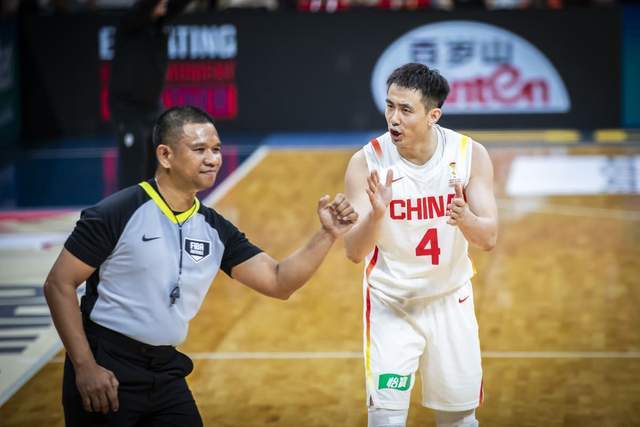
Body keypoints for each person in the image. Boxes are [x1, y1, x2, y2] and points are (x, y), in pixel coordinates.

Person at [44, 105, 358, 427]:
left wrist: (327, 234)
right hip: (107, 368)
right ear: (165, 155)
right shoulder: (116, 212)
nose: (213, 159)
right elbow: (58, 284)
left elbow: (278, 281)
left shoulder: (214, 228)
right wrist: (85, 366)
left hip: (166, 370)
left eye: (216, 149)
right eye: (199, 150)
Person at [343, 63, 498, 427]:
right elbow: (353, 252)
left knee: (459, 419)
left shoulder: (470, 154)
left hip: (450, 299)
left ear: (433, 116)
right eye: (389, 106)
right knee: (385, 419)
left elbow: (489, 238)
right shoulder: (366, 162)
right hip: (391, 303)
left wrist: (466, 219)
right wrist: (377, 214)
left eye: (405, 109)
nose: (393, 118)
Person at [109, 0, 192, 189]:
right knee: (132, 173)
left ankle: (150, 205)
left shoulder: (160, 24)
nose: (165, 3)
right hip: (128, 110)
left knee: (156, 168)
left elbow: (178, 5)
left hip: (153, 108)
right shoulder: (129, 24)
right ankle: (130, 207)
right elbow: (143, 8)